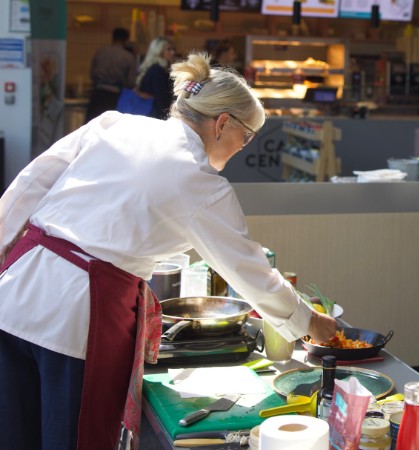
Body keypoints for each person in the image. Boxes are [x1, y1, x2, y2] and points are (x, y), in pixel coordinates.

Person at [0, 52, 337, 450]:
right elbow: (252, 274)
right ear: (222, 122)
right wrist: (310, 322)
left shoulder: (115, 124)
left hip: (14, 291)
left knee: (12, 434)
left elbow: (30, 184)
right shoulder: (199, 183)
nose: (243, 148)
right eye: (246, 136)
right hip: (77, 318)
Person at [84, 27, 137, 123]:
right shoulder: (129, 57)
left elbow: (92, 75)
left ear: (113, 38)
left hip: (97, 94)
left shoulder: (100, 52)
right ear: (126, 40)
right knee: (110, 127)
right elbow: (130, 82)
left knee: (92, 125)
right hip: (115, 96)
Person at [137, 36, 177, 119]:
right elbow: (161, 98)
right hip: (155, 116)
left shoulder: (153, 68)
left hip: (148, 114)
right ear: (158, 51)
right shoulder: (158, 70)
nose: (172, 52)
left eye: (172, 49)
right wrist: (165, 118)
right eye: (168, 49)